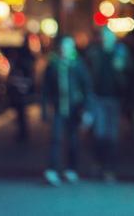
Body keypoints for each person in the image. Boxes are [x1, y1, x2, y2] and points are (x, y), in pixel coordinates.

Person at [41, 35, 91, 186]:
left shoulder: (78, 65)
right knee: (56, 139)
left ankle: (71, 169)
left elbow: (87, 87)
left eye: (68, 46)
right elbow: (45, 89)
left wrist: (87, 110)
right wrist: (44, 109)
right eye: (63, 46)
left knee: (73, 140)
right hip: (59, 108)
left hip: (75, 109)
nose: (65, 49)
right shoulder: (53, 65)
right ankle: (53, 170)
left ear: (72, 48)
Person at [85, 27, 130, 181]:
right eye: (104, 37)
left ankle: (109, 168)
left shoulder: (121, 53)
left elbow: (129, 75)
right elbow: (88, 73)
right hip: (98, 98)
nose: (106, 40)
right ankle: (99, 163)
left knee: (112, 136)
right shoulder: (94, 52)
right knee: (100, 134)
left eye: (109, 37)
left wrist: (121, 69)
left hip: (115, 99)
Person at [6, 36, 35, 142]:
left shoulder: (21, 56)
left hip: (20, 86)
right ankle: (23, 132)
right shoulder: (27, 56)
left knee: (20, 110)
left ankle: (23, 132)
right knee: (21, 110)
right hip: (23, 86)